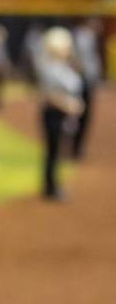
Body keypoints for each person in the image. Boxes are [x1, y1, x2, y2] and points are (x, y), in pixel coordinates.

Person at [33, 26, 83, 199]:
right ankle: (50, 187)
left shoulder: (62, 66)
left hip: (61, 115)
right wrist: (68, 105)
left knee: (57, 151)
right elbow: (48, 95)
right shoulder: (49, 67)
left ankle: (53, 184)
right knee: (53, 151)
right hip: (53, 114)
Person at [71, 18, 102, 159]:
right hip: (81, 82)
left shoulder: (89, 37)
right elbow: (79, 61)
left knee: (83, 115)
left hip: (86, 81)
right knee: (80, 115)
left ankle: (76, 148)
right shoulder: (84, 37)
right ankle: (75, 148)